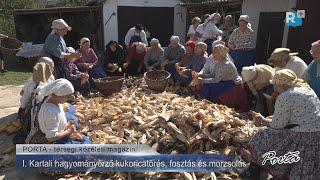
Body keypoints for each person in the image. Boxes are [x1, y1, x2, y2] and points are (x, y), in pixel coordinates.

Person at [248, 69, 320, 179]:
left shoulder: (286, 96)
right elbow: (297, 115)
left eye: (276, 85)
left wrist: (262, 119)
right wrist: (271, 118)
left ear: (281, 84)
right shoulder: (306, 89)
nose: (275, 88)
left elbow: (278, 125)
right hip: (316, 133)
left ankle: (255, 171)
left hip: (303, 135)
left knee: (262, 134)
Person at [192, 44, 248, 110]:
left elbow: (216, 80)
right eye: (213, 52)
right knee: (205, 85)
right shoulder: (219, 62)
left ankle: (211, 105)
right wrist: (200, 75)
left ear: (221, 53)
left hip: (232, 84)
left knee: (209, 87)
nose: (212, 54)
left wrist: (201, 80)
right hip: (223, 82)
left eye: (215, 52)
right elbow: (213, 74)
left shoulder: (225, 64)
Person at [34, 79, 90, 144]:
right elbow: (51, 137)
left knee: (84, 138)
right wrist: (69, 131)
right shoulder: (51, 111)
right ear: (61, 95)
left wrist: (66, 125)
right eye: (68, 96)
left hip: (61, 131)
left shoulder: (52, 100)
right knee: (86, 144)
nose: (70, 98)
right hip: (56, 141)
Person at [13, 58, 55, 144]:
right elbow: (24, 98)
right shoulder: (33, 82)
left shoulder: (51, 77)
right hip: (34, 112)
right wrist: (22, 111)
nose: (53, 69)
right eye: (51, 66)